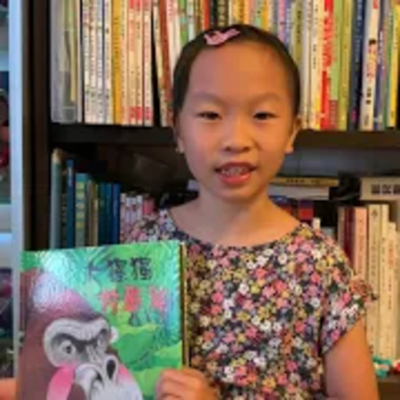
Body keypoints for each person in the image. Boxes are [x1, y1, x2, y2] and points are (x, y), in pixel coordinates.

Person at [0, 23, 379, 399]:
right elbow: (100, 378)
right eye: (211, 115)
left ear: (292, 131)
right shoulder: (145, 245)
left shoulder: (320, 265)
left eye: (262, 115)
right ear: (178, 131)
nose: (236, 140)